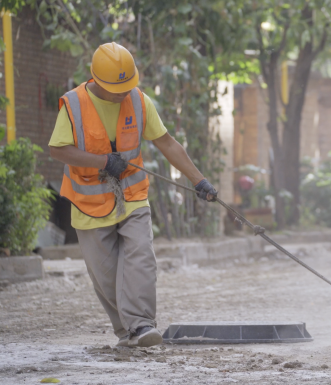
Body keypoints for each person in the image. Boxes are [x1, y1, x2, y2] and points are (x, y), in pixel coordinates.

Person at [48, 42, 218, 348]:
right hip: (89, 204)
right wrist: (102, 162)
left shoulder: (139, 101)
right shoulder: (73, 105)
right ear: (97, 81)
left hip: (132, 196)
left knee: (141, 257)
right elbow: (57, 149)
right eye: (118, 88)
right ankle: (127, 333)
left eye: (128, 86)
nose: (124, 93)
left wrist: (199, 181)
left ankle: (141, 325)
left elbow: (167, 143)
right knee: (107, 276)